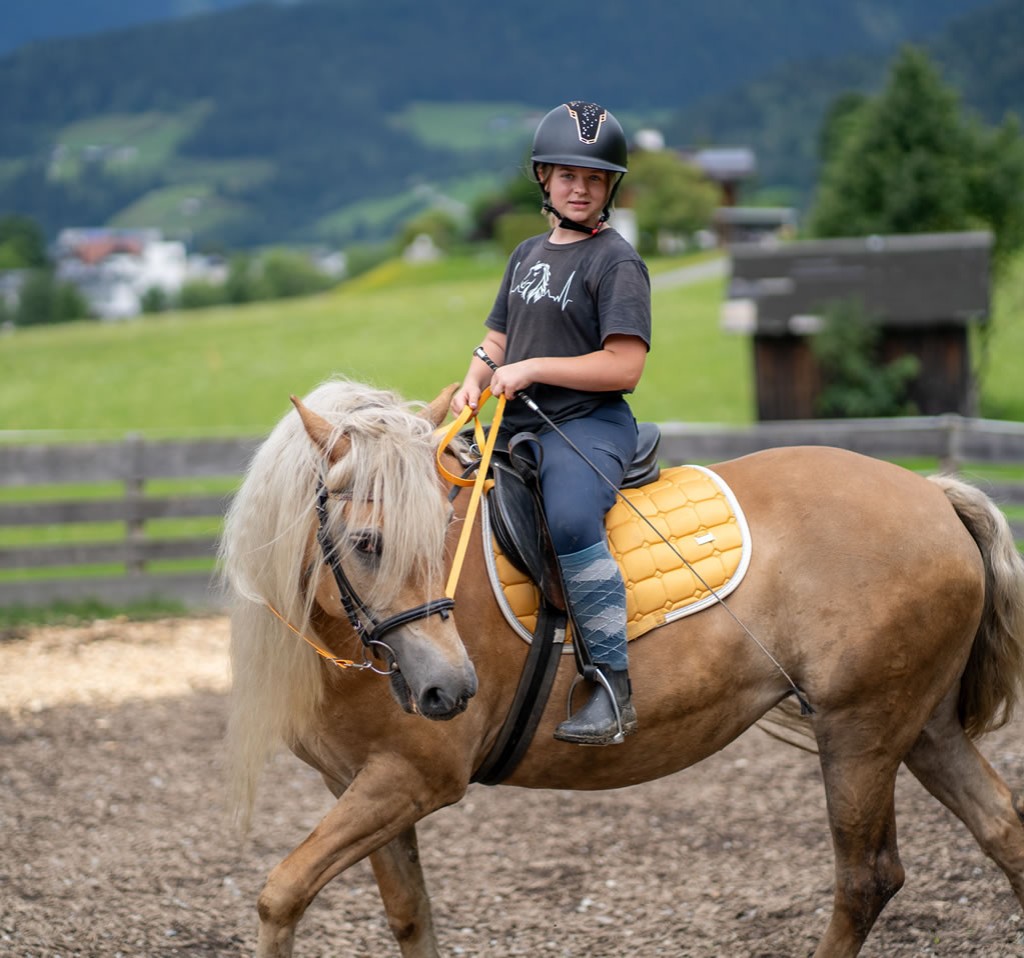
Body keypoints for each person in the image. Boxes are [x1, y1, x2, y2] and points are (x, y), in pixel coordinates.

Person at [451, 101, 652, 746]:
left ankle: (611, 685)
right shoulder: (526, 254)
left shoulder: (617, 263)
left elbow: (624, 367)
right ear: (544, 178)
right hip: (516, 425)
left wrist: (534, 367)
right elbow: (497, 339)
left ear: (609, 188)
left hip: (588, 424)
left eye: (594, 179)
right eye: (568, 175)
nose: (580, 188)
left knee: (567, 517)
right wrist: (476, 378)